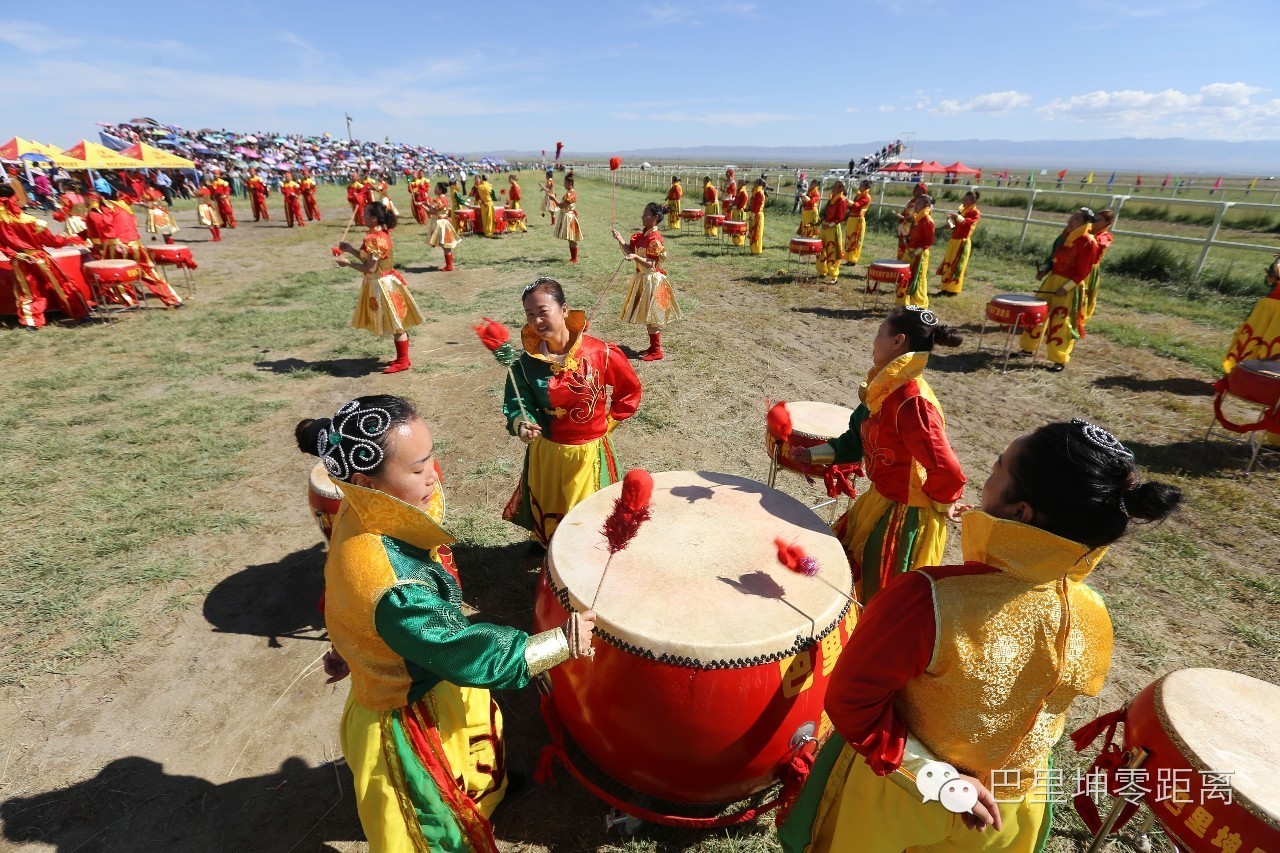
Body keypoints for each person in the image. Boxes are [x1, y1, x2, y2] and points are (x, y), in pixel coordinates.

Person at [779, 419, 1182, 853]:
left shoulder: (927, 599)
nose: (983, 478)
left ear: (1019, 512)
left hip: (901, 802)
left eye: (995, 470)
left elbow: (852, 702)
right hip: (1009, 816)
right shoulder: (1094, 614)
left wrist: (940, 779)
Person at [295, 396, 596, 852]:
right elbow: (462, 649)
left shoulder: (360, 510)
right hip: (408, 712)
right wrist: (560, 642)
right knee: (432, 828)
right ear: (365, 480)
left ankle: (483, 799)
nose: (434, 474)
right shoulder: (393, 587)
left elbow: (347, 602)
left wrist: (349, 648)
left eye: (431, 456)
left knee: (472, 751)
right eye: (417, 470)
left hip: (427, 668)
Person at [791, 307, 965, 602]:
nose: (873, 340)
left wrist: (942, 503)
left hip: (905, 520)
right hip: (879, 500)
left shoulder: (913, 403)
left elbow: (947, 470)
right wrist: (813, 455)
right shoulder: (884, 389)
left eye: (878, 333)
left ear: (898, 341)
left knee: (876, 594)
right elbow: (854, 440)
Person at [503, 278, 643, 550]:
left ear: (564, 310)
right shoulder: (525, 364)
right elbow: (518, 401)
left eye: (543, 311)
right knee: (549, 507)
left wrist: (608, 421)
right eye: (530, 314)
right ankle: (549, 553)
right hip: (547, 453)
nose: (537, 320)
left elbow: (629, 390)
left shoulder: (600, 353)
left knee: (584, 515)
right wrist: (524, 424)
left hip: (587, 454)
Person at [336, 201, 423, 374]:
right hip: (386, 282)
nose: (363, 216)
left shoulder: (375, 239)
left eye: (366, 213)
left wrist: (348, 264)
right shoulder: (378, 234)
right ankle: (401, 358)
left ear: (374, 218)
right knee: (395, 322)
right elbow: (369, 260)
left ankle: (403, 361)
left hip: (383, 285)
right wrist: (351, 249)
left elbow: (370, 268)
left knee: (396, 324)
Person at [0, 184, 92, 327]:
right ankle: (80, 314)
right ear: (14, 197)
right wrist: (67, 237)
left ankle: (31, 322)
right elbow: (53, 242)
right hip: (39, 258)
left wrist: (14, 254)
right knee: (61, 285)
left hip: (20, 261)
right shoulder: (30, 221)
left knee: (28, 291)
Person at [1020, 208, 1099, 372]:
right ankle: (1027, 348)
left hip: (1070, 285)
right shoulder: (1063, 237)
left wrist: (1067, 287)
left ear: (1086, 223)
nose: (1071, 221)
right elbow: (1051, 258)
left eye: (1076, 219)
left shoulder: (1089, 243)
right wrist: (1044, 270)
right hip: (1052, 281)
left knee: (1061, 321)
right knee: (1037, 313)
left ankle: (1059, 359)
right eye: (1071, 217)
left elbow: (1083, 272)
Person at [84, 193, 184, 308]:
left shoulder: (97, 209)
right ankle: (173, 299)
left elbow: (104, 226)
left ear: (89, 198)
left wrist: (114, 242)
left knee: (117, 276)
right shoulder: (122, 206)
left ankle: (130, 300)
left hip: (117, 247)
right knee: (150, 273)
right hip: (135, 245)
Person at [614, 202, 681, 361]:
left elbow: (651, 263)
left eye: (646, 214)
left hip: (652, 279)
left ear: (655, 218)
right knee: (648, 316)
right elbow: (631, 252)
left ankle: (657, 351)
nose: (643, 217)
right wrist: (620, 239)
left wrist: (636, 257)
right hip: (643, 278)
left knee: (652, 317)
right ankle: (653, 347)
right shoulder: (644, 235)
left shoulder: (654, 238)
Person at [937, 190, 981, 296]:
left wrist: (956, 216)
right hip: (954, 240)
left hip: (963, 242)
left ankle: (953, 290)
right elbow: (956, 226)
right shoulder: (962, 211)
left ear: (973, 201)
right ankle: (945, 287)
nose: (963, 201)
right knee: (948, 263)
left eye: (966, 200)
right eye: (963, 199)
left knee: (957, 266)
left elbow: (967, 223)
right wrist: (950, 221)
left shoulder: (975, 213)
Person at [899, 194, 935, 308]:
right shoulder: (917, 218)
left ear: (926, 205)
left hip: (919, 255)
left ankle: (918, 305)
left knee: (917, 279)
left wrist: (914, 253)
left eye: (919, 203)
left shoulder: (928, 221)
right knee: (905, 277)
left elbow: (928, 242)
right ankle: (903, 303)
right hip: (910, 251)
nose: (915, 205)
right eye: (916, 203)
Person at [1081, 208, 1114, 324]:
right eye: (1094, 218)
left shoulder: (1105, 237)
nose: (1094, 221)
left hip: (1089, 269)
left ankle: (1080, 318)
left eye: (1098, 220)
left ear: (1107, 223)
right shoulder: (1089, 231)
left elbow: (1095, 244)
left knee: (1083, 294)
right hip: (1078, 264)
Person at [816, 180, 849, 284]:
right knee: (820, 248)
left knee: (832, 251)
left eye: (835, 187)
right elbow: (827, 213)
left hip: (833, 228)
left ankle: (834, 276)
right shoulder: (831, 198)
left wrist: (828, 225)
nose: (832, 188)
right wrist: (820, 221)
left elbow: (840, 218)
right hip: (825, 226)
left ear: (840, 189)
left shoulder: (842, 200)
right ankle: (822, 271)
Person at [548, 174, 582, 263]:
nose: (563, 185)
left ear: (570, 183)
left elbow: (561, 205)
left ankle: (574, 258)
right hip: (568, 216)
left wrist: (553, 199)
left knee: (571, 238)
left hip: (569, 218)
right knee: (570, 238)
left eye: (565, 183)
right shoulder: (570, 192)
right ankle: (573, 258)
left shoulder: (570, 194)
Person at [427, 182, 460, 271]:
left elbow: (432, 211)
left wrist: (423, 205)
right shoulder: (442, 199)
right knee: (445, 246)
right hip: (442, 223)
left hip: (442, 224)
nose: (435, 189)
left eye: (436, 187)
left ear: (440, 190)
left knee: (446, 246)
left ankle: (449, 266)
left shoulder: (439, 200)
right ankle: (449, 265)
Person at [842, 180, 872, 266]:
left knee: (855, 239)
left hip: (858, 220)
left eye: (861, 185)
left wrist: (847, 200)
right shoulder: (859, 195)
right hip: (852, 219)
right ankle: (848, 258)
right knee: (849, 237)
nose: (860, 187)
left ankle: (853, 259)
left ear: (866, 187)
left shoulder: (867, 197)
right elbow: (852, 207)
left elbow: (857, 205)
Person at [896, 181, 927, 261]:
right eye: (915, 188)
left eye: (917, 189)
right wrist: (901, 217)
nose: (915, 191)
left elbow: (923, 217)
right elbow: (905, 212)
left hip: (914, 230)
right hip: (905, 228)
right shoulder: (911, 201)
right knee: (902, 249)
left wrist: (911, 219)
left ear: (923, 191)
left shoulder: (926, 203)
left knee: (910, 249)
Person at [747, 178, 767, 255]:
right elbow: (753, 204)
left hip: (757, 215)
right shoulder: (756, 192)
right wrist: (749, 209)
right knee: (752, 231)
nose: (754, 184)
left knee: (757, 232)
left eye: (755, 183)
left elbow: (758, 205)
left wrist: (753, 214)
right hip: (754, 214)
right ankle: (753, 249)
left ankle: (756, 250)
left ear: (759, 184)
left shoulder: (759, 193)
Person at [729, 182, 750, 247]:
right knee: (734, 225)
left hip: (740, 211)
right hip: (735, 211)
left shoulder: (744, 193)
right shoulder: (739, 191)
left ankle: (740, 242)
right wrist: (732, 205)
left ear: (742, 184)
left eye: (739, 183)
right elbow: (736, 200)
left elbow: (741, 204)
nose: (738, 184)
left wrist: (733, 207)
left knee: (739, 227)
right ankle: (735, 241)